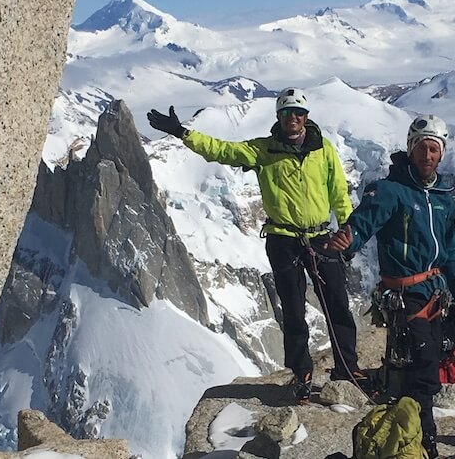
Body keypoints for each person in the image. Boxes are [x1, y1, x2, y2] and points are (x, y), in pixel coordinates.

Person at [147, 88, 365, 404]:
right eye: (288, 112)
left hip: (320, 236)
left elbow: (339, 192)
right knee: (292, 307)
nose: (293, 117)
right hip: (283, 239)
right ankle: (302, 373)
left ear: (306, 117)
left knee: (336, 301)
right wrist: (183, 133)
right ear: (279, 117)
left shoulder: (323, 149)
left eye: (298, 112)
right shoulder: (264, 150)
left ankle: (347, 367)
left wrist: (348, 232)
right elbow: (222, 150)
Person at [326, 114, 455, 458]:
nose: (428, 156)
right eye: (422, 148)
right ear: (411, 150)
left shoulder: (442, 198)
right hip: (405, 296)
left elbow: (449, 251)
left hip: (435, 293)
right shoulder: (390, 190)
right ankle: (426, 443)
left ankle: (405, 436)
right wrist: (345, 243)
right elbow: (364, 223)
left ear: (442, 154)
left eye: (434, 149)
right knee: (423, 371)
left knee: (420, 367)